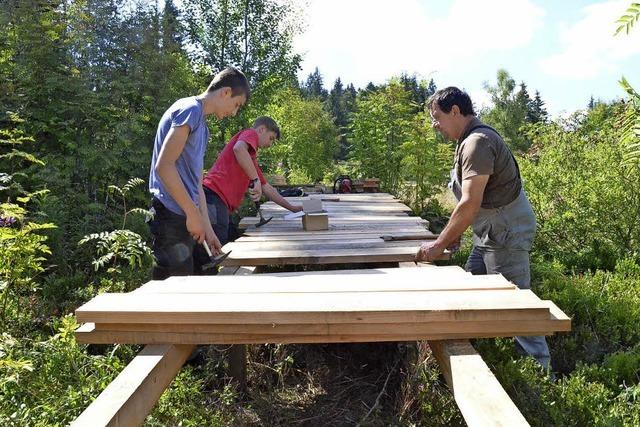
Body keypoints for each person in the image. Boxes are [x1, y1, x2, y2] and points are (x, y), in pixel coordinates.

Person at [416, 86, 551, 369]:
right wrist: (455, 234)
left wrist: (439, 244)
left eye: (437, 117)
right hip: (490, 231)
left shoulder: (477, 142)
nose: (434, 125)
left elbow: (469, 203)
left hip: (505, 231)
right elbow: (473, 205)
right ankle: (469, 355)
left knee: (517, 304)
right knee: (470, 286)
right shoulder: (468, 140)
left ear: (455, 111)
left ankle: (540, 376)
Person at [148, 67, 249, 280]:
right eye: (237, 105)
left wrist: (207, 228)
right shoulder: (190, 109)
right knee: (174, 292)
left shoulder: (202, 127)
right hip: (170, 214)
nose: (234, 112)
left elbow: (196, 184)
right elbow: (164, 166)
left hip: (184, 213)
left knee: (197, 278)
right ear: (225, 92)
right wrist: (192, 214)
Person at [197, 116, 302, 257]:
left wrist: (293, 208)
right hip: (213, 196)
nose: (270, 144)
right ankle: (202, 277)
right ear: (261, 129)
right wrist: (255, 180)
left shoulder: (250, 159)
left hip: (220, 202)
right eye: (271, 138)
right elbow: (238, 148)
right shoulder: (249, 133)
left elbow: (266, 188)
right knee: (208, 253)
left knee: (220, 246)